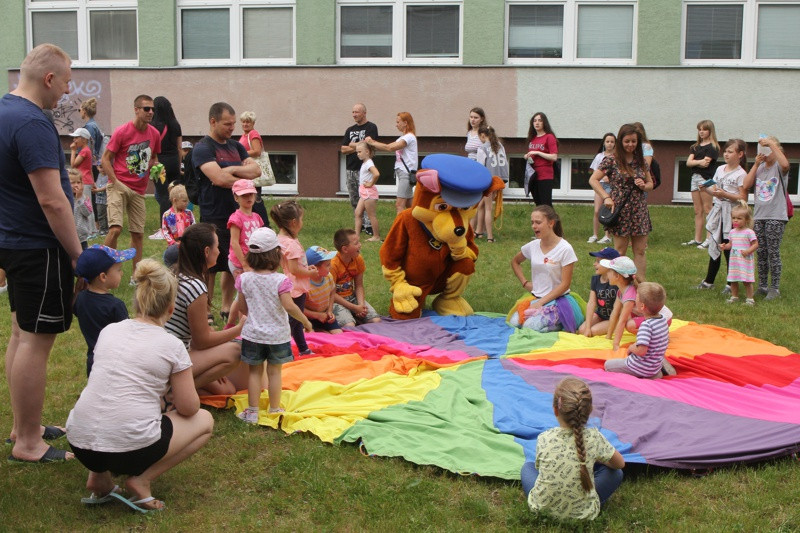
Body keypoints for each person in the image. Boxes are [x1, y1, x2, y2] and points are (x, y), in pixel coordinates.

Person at [67, 259, 214, 513]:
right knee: (205, 421)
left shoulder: (110, 331)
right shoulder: (172, 345)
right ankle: (141, 480)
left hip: (79, 443)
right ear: (170, 309)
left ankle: (98, 477)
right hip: (130, 449)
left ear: (137, 302)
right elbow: (189, 408)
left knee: (107, 401)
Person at [1, 44, 82, 464]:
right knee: (36, 340)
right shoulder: (32, 121)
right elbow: (52, 201)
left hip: (14, 242)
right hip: (38, 245)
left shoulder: (4, 110)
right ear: (49, 79)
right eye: (67, 81)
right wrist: (76, 254)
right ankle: (29, 443)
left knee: (20, 333)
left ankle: (23, 426)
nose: (68, 91)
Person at [193, 102, 261, 323]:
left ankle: (225, 305)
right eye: (227, 124)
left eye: (234, 124)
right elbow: (218, 178)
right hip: (214, 213)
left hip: (237, 214)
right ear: (213, 121)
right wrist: (243, 180)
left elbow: (256, 170)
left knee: (233, 262)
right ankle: (206, 308)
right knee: (210, 265)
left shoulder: (236, 147)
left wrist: (231, 169)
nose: (232, 128)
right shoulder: (203, 148)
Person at [236, 228, 312, 423]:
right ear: (276, 255)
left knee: (255, 372)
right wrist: (305, 321)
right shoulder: (281, 281)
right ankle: (274, 408)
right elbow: (289, 306)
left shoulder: (244, 279)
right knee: (274, 372)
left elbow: (242, 307)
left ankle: (252, 412)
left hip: (253, 335)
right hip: (277, 336)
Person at [520, 377, 624, 521]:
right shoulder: (594, 437)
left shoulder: (544, 437)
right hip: (584, 516)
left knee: (527, 468)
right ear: (589, 411)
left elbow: (539, 469)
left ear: (556, 410)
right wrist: (598, 459)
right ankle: (584, 503)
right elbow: (620, 464)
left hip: (542, 510)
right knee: (616, 474)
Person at [164, 223, 245, 394]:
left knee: (227, 390)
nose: (220, 251)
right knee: (236, 351)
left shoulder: (177, 273)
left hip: (168, 353)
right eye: (217, 246)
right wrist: (238, 329)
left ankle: (179, 387)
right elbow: (201, 342)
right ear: (206, 251)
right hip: (173, 358)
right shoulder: (195, 286)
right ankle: (175, 392)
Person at [102, 94, 162, 284]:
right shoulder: (122, 131)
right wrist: (115, 181)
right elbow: (105, 159)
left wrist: (156, 167)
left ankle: (136, 277)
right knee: (116, 229)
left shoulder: (154, 134)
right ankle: (99, 267)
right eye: (146, 109)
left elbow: (154, 158)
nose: (150, 112)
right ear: (136, 110)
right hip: (118, 185)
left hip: (139, 189)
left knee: (137, 233)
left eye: (152, 109)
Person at [588, 124, 654, 280]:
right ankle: (618, 283)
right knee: (620, 251)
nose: (630, 145)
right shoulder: (611, 160)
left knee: (640, 250)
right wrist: (606, 197)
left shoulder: (641, 162)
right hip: (620, 210)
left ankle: (640, 285)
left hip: (639, 210)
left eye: (634, 141)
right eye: (627, 141)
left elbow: (651, 184)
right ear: (620, 142)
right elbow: (593, 179)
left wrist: (644, 185)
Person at [509, 206, 583, 333]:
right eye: (532, 222)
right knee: (514, 323)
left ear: (551, 223)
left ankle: (561, 324)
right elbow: (515, 262)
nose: (534, 226)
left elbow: (565, 284)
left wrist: (541, 303)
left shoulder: (565, 248)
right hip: (535, 297)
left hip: (557, 301)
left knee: (529, 327)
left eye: (538, 222)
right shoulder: (532, 246)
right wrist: (525, 283)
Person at [694, 139, 748, 292]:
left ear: (740, 154)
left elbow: (742, 197)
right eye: (725, 151)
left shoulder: (741, 174)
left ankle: (731, 284)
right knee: (715, 244)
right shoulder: (720, 169)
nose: (726, 154)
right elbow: (716, 191)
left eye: (730, 151)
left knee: (729, 248)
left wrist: (724, 194)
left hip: (732, 215)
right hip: (719, 212)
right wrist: (705, 189)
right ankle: (708, 281)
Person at [73, 245, 132, 376]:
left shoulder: (80, 299)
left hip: (93, 361)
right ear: (103, 277)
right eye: (118, 270)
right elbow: (128, 336)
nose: (121, 273)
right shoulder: (116, 305)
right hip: (115, 363)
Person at [744, 135, 791, 301]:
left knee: (773, 252)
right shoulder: (761, 167)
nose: (766, 153)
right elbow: (746, 184)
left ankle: (775, 288)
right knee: (761, 252)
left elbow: (786, 164)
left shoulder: (779, 166)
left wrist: (771, 144)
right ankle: (762, 286)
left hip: (776, 216)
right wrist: (756, 164)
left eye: (769, 149)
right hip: (760, 216)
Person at [271, 201, 315, 355]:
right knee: (294, 321)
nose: (302, 223)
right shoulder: (291, 244)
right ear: (294, 222)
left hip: (291, 284)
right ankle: (280, 350)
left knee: (295, 322)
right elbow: (294, 269)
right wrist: (310, 273)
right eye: (301, 219)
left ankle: (302, 348)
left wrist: (306, 268)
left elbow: (295, 265)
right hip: (295, 287)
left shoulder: (281, 239)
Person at [604, 282, 673, 379]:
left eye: (636, 297)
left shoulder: (646, 325)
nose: (634, 298)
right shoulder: (662, 320)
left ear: (642, 307)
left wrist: (632, 348)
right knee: (655, 372)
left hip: (638, 367)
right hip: (654, 366)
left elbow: (641, 351)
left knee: (608, 365)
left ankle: (642, 375)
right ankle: (655, 373)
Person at [367, 112, 417, 214]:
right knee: (409, 205)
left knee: (399, 205)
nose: (396, 124)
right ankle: (420, 225)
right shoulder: (403, 137)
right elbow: (387, 147)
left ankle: (400, 229)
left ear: (405, 123)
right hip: (404, 174)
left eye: (398, 122)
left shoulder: (409, 137)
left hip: (405, 175)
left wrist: (372, 142)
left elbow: (389, 148)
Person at [331, 228, 382, 328]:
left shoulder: (358, 259)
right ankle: (350, 318)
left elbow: (359, 286)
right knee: (349, 326)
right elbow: (331, 294)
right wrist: (354, 308)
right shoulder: (333, 265)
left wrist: (361, 306)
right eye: (356, 243)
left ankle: (355, 316)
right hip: (336, 301)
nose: (360, 245)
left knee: (376, 321)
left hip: (352, 297)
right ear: (345, 249)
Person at [341, 103, 378, 235]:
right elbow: (343, 149)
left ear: (364, 113)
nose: (354, 115)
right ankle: (360, 223)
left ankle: (369, 226)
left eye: (357, 112)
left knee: (366, 197)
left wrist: (352, 145)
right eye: (353, 112)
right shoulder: (349, 130)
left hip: (365, 170)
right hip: (350, 169)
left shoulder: (371, 127)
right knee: (354, 198)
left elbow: (369, 145)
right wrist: (358, 146)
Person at [684, 120, 720, 248]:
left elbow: (706, 163)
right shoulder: (694, 147)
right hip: (694, 178)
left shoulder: (713, 148)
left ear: (710, 131)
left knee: (707, 209)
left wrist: (695, 161)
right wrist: (697, 162)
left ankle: (709, 239)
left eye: (704, 129)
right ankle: (697, 239)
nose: (701, 132)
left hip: (706, 179)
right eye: (699, 129)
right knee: (697, 210)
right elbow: (688, 163)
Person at [474, 125, 509, 242]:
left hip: (488, 180)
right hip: (499, 179)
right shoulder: (501, 146)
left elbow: (480, 167)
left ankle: (489, 237)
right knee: (481, 205)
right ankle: (478, 231)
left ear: (483, 135)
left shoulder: (482, 148)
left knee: (488, 208)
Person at [151, 96, 183, 221]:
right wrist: (179, 164)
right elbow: (179, 147)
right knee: (175, 192)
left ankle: (165, 225)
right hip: (174, 160)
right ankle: (178, 219)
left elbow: (153, 148)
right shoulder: (175, 124)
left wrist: (156, 163)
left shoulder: (153, 126)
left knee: (164, 194)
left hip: (160, 162)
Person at [722, 201, 758, 305]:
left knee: (747, 281)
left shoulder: (749, 232)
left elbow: (755, 244)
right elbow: (730, 244)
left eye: (739, 218)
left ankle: (750, 299)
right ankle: (734, 296)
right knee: (733, 279)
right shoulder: (732, 232)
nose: (735, 220)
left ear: (746, 220)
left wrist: (748, 251)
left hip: (745, 260)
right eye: (734, 218)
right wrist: (725, 246)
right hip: (734, 260)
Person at [579, 247, 620, 338]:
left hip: (615, 318)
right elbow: (591, 303)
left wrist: (591, 329)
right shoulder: (595, 279)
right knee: (582, 330)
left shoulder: (618, 281)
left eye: (598, 262)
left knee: (594, 331)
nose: (594, 264)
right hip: (600, 315)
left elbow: (618, 308)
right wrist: (588, 326)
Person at [237, 110, 270, 223]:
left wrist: (241, 153)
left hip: (254, 171)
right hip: (247, 171)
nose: (245, 124)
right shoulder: (244, 135)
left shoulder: (253, 134)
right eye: (243, 122)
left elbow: (257, 151)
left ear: (253, 123)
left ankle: (264, 223)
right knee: (250, 196)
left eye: (248, 122)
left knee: (256, 198)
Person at [304, 246, 343, 334]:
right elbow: (299, 308)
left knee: (339, 334)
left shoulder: (328, 277)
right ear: (315, 268)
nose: (331, 267)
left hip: (324, 315)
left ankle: (321, 330)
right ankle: (320, 331)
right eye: (328, 265)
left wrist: (329, 311)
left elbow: (332, 291)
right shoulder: (304, 285)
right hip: (307, 318)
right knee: (312, 337)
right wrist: (317, 315)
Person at [524, 112, 558, 207]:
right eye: (534, 121)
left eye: (540, 120)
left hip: (545, 175)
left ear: (544, 123)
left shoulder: (549, 137)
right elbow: (532, 155)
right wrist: (527, 156)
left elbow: (554, 157)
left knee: (546, 204)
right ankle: (541, 222)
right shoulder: (532, 138)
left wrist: (537, 152)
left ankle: (553, 222)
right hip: (533, 174)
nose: (537, 123)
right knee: (538, 203)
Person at [587, 133, 616, 244]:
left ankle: (607, 236)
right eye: (607, 141)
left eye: (612, 142)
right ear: (604, 143)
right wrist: (603, 177)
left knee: (607, 210)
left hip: (611, 186)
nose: (609, 144)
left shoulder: (616, 157)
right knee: (597, 210)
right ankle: (595, 234)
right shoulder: (599, 156)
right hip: (600, 185)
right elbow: (595, 172)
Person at [354, 141, 381, 242]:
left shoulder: (369, 162)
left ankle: (376, 236)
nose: (358, 154)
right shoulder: (365, 163)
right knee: (357, 213)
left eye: (360, 152)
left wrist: (370, 184)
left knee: (371, 215)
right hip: (364, 192)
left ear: (367, 151)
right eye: (357, 152)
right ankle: (356, 236)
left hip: (369, 193)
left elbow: (376, 174)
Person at [70, 169, 94, 249]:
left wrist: (79, 199)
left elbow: (87, 212)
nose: (76, 185)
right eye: (72, 183)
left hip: (82, 237)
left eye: (78, 182)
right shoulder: (65, 198)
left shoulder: (85, 198)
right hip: (69, 236)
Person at [70, 127, 95, 202]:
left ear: (84, 139)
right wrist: (93, 182)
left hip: (84, 181)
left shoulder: (84, 151)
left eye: (76, 138)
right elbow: (90, 169)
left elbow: (73, 165)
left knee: (84, 204)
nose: (74, 140)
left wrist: (73, 150)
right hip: (87, 180)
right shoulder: (87, 150)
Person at [93, 170, 109, 236]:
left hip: (106, 199)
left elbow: (107, 186)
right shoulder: (99, 175)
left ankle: (104, 229)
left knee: (105, 215)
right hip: (98, 199)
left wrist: (97, 190)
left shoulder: (108, 175)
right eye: (100, 167)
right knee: (100, 214)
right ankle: (103, 229)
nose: (102, 169)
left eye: (103, 167)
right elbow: (97, 184)